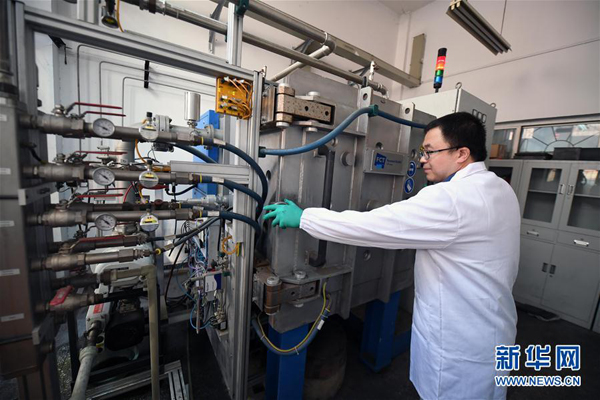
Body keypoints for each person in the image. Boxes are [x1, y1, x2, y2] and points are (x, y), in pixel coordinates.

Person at [263, 112, 521, 399]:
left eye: (430, 152)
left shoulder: (452, 199)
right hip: (493, 331)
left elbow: (373, 225)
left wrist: (304, 218)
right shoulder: (500, 188)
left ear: (462, 154)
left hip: (459, 347)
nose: (422, 160)